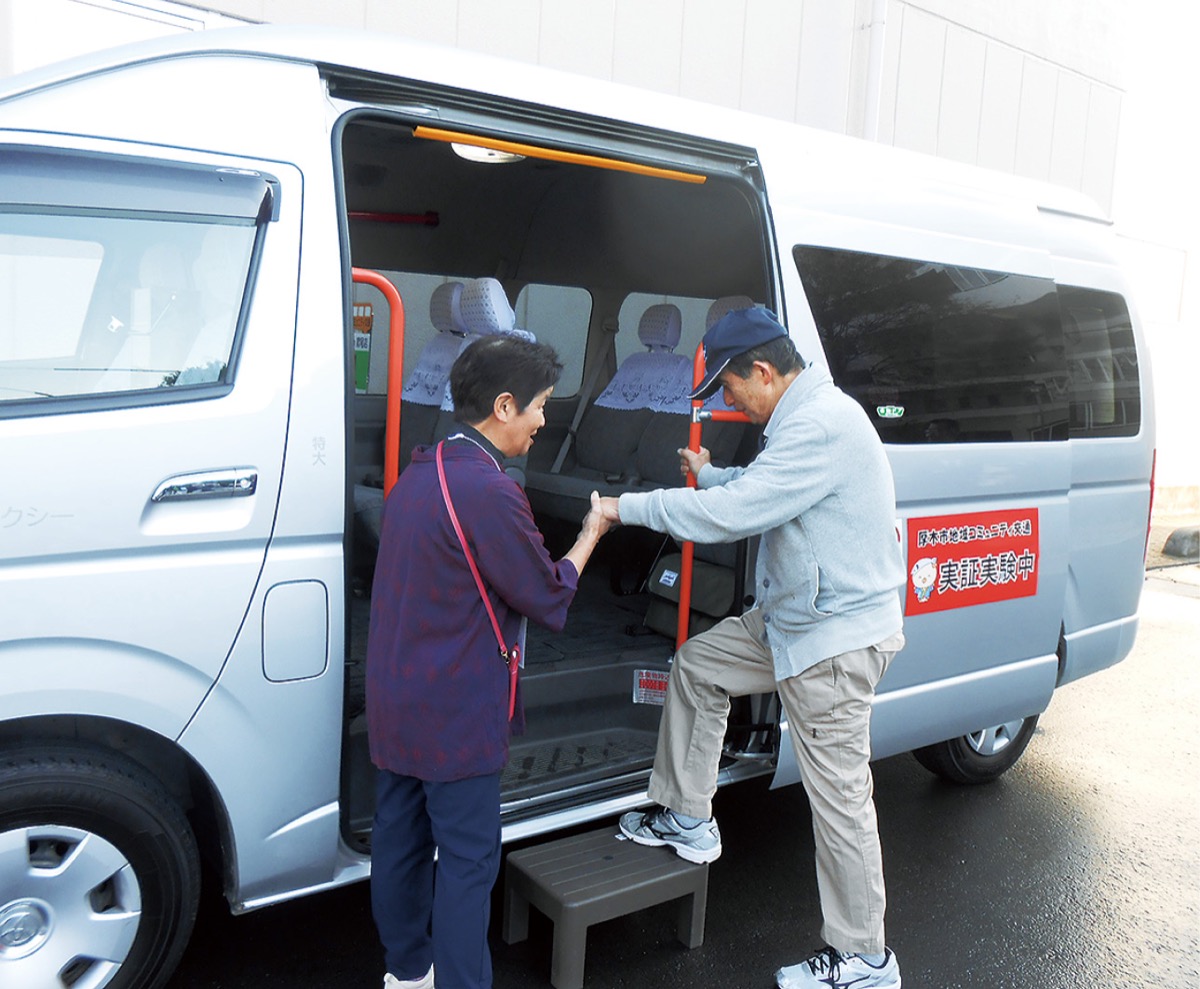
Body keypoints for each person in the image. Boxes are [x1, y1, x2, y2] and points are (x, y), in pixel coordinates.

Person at [596, 307, 907, 989]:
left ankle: (863, 959)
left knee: (840, 800)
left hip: (833, 640)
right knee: (699, 666)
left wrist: (626, 507)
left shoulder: (819, 423)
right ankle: (687, 816)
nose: (728, 402)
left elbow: (734, 517)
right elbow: (760, 493)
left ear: (762, 371)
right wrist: (709, 475)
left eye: (730, 388)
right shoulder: (800, 418)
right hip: (795, 620)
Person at [367, 335, 613, 989]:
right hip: (456, 711)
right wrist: (591, 533)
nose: (542, 421)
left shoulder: (418, 473)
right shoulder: (491, 492)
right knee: (469, 860)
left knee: (400, 840)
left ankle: (406, 971)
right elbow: (547, 590)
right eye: (539, 407)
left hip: (396, 697)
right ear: (504, 406)